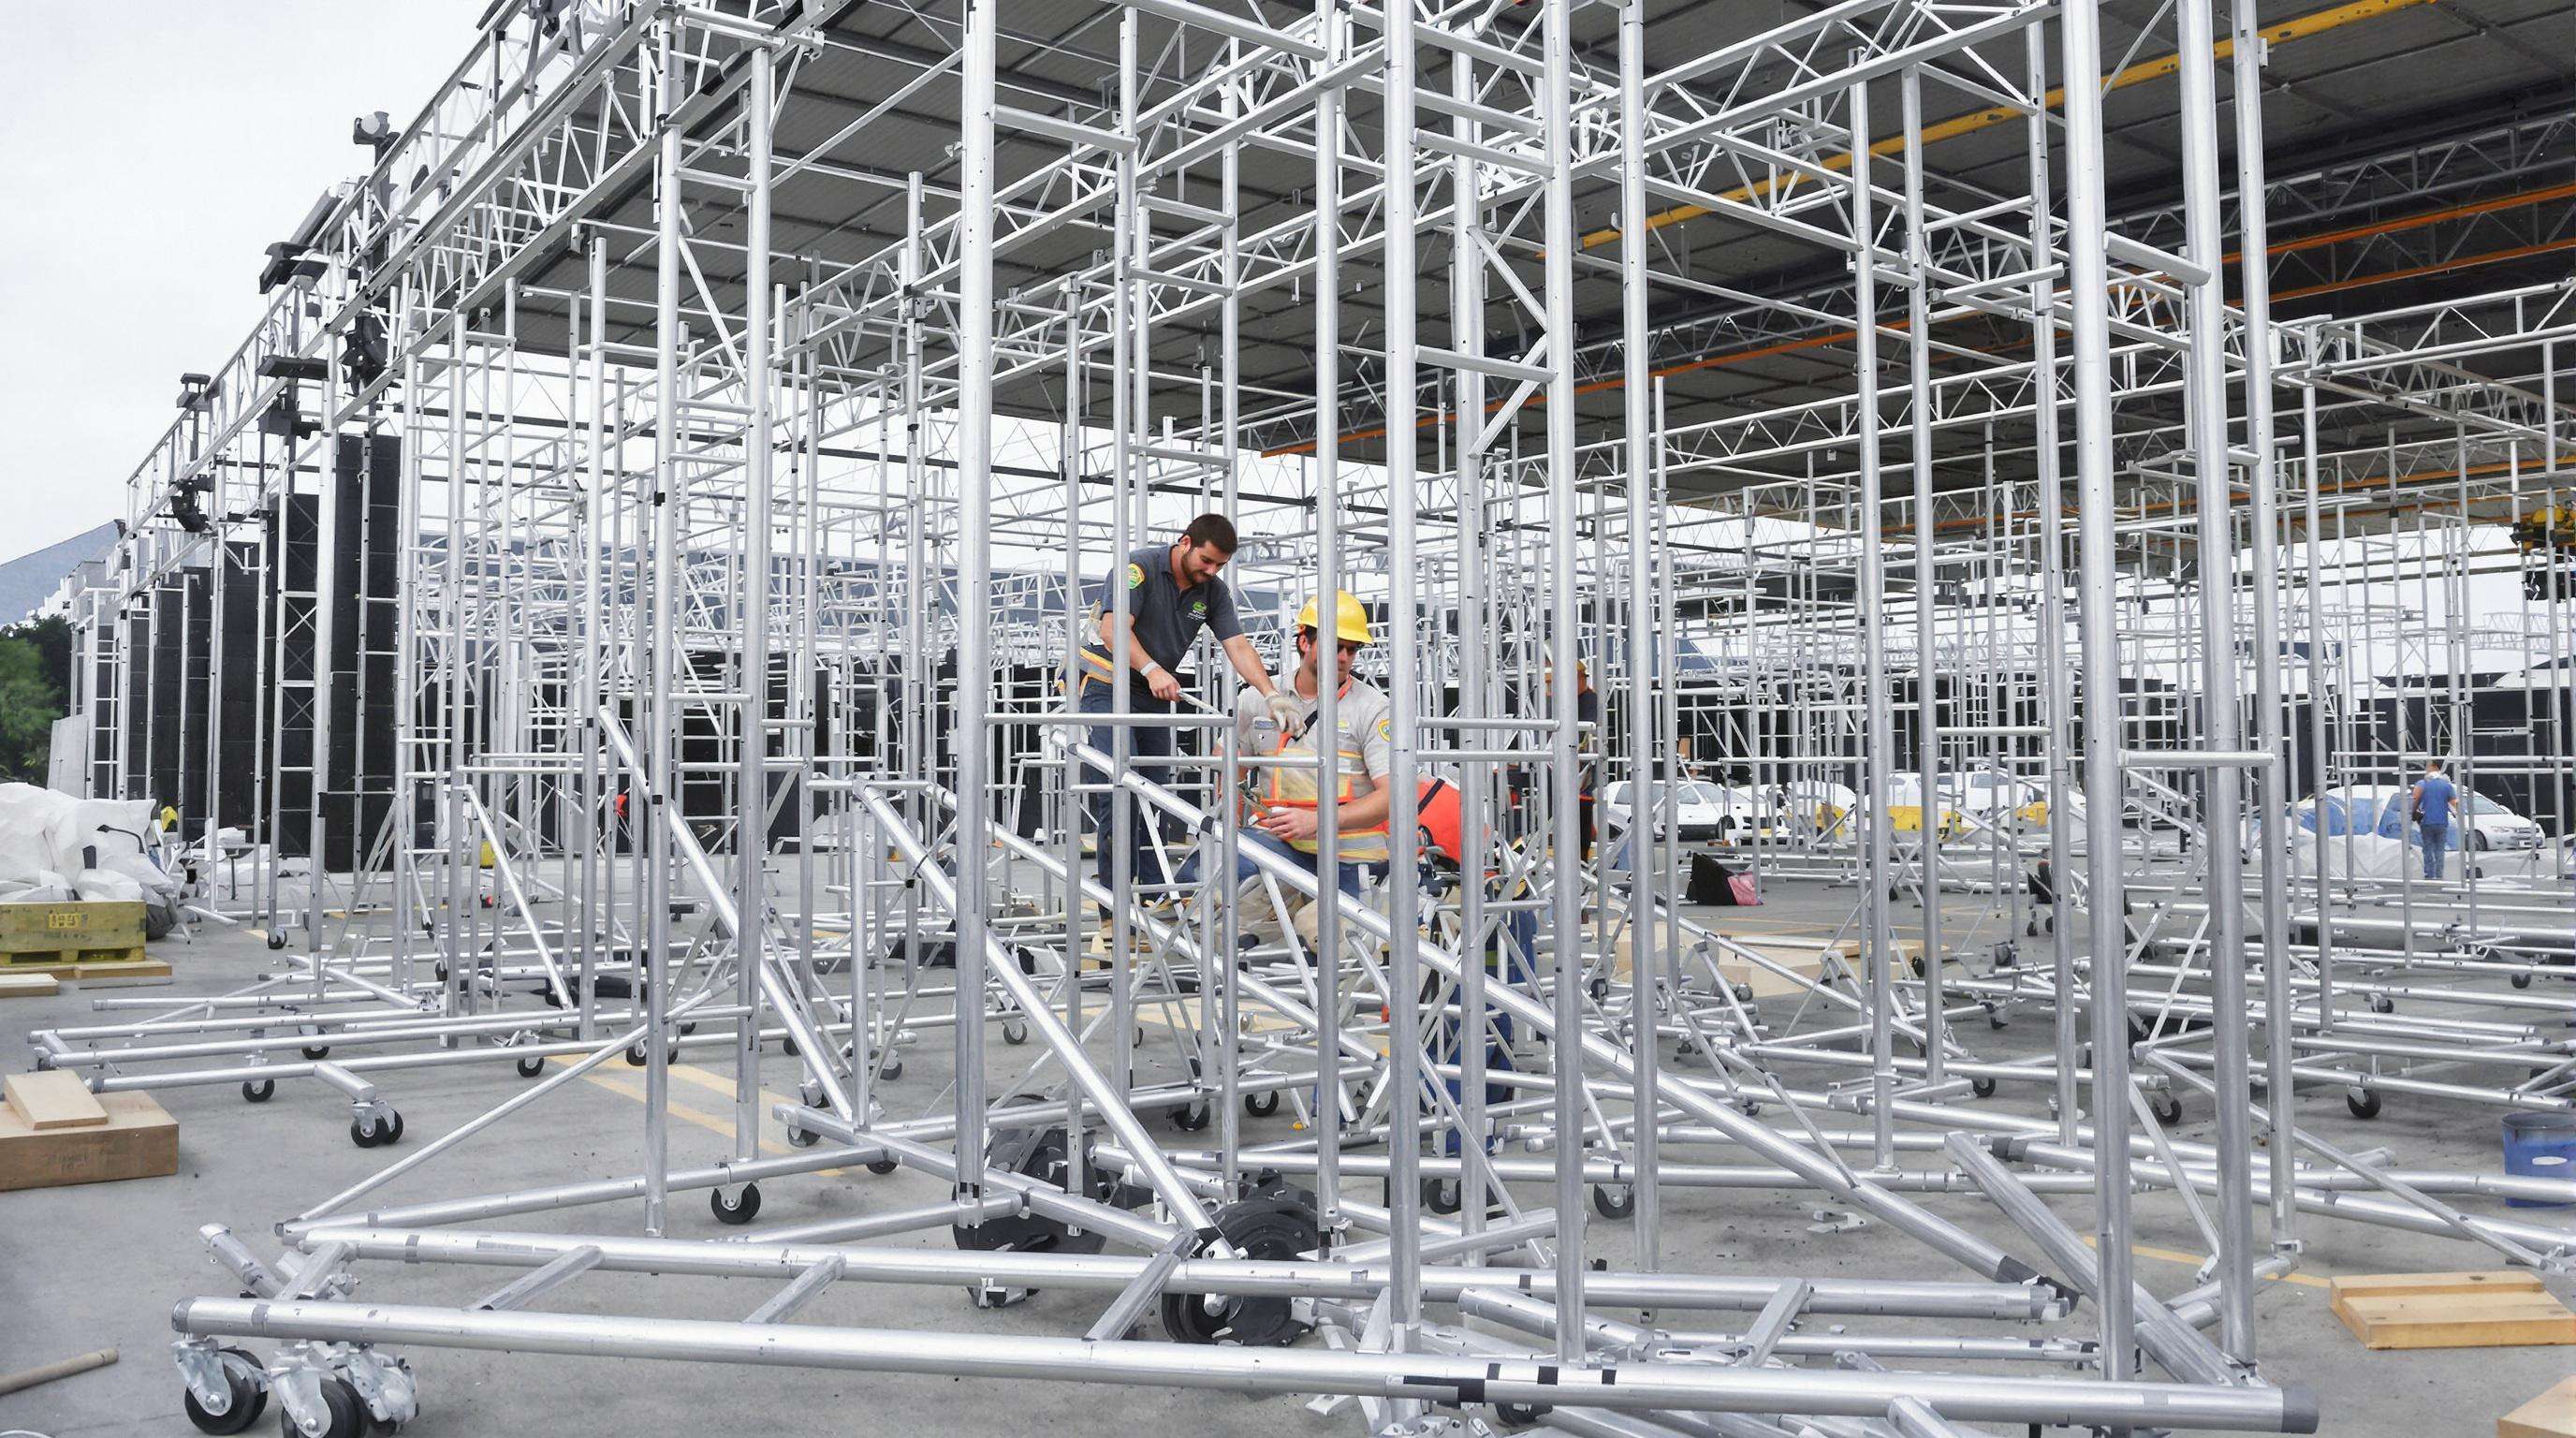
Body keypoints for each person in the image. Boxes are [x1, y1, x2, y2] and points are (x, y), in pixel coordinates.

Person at [1077, 514, 1290, 905]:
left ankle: (1153, 893)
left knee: (1154, 791)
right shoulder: (1139, 569)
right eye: (1206, 561)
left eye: (1220, 566)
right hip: (1107, 683)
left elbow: (1238, 646)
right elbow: (1112, 631)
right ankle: (1114, 902)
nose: (1211, 571)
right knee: (1120, 787)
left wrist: (1270, 693)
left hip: (1151, 692)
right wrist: (1152, 667)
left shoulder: (1212, 590)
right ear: (1185, 542)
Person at [1180, 591, 1390, 908]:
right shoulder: (1260, 698)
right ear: (1304, 642)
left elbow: (1392, 796)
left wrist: (1319, 821)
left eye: (1352, 649)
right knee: (1204, 874)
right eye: (1336, 647)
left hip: (1350, 857)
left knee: (1330, 944)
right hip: (1283, 847)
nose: (1345, 657)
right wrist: (1231, 826)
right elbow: (1230, 763)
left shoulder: (1373, 708)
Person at [2409, 757, 2461, 881]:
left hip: (2426, 822)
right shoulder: (2446, 786)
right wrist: (2458, 814)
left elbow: (2415, 801)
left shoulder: (2422, 784)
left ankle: (2429, 874)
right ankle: (2439, 874)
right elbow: (2455, 804)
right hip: (2441, 822)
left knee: (2428, 848)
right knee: (2439, 849)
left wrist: (2413, 814)